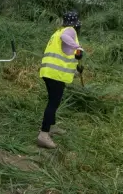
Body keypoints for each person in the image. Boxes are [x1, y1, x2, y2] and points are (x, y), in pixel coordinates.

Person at [37, 11, 85, 149]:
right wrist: (78, 47)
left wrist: (76, 71)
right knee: (53, 103)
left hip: (48, 71)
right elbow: (67, 39)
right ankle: (43, 134)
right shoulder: (69, 31)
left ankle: (51, 127)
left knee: (53, 100)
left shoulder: (57, 32)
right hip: (55, 74)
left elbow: (65, 57)